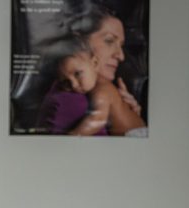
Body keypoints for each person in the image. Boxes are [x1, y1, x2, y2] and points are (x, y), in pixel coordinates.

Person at [36, 2, 147, 136]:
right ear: (80, 40)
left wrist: (131, 115)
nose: (121, 56)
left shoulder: (99, 89)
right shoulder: (73, 100)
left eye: (121, 45)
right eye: (109, 40)